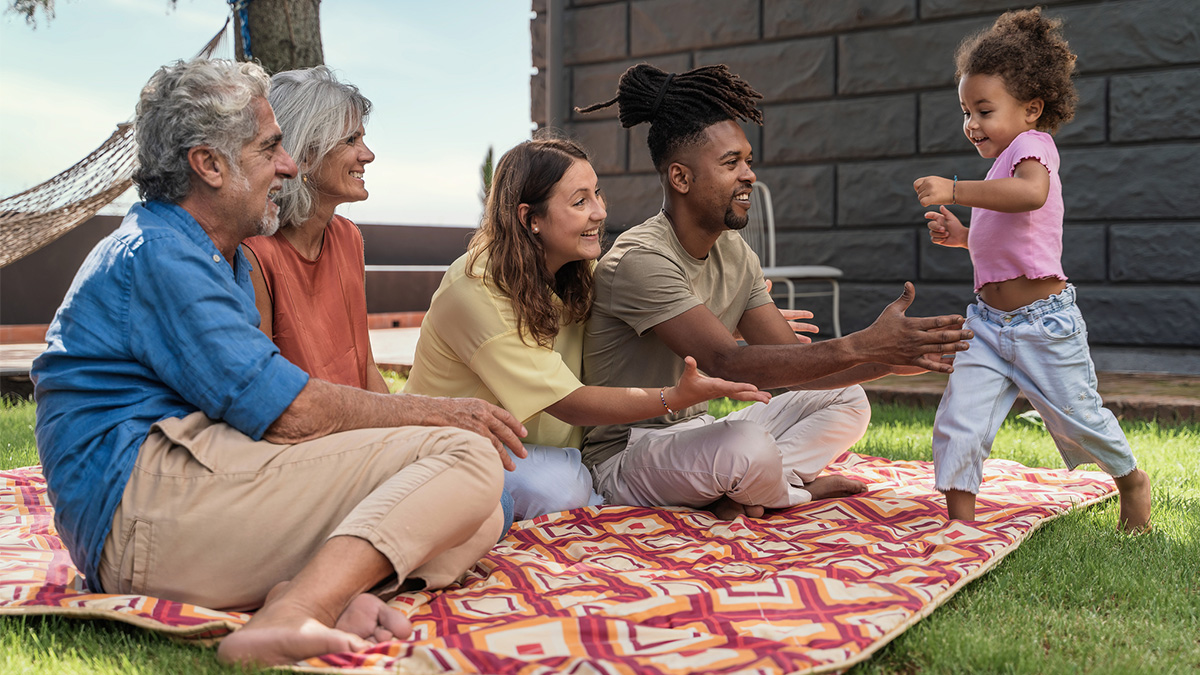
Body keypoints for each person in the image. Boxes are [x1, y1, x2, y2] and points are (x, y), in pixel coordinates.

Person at [30, 58, 530, 668]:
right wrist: (441, 415)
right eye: (270, 148)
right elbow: (286, 413)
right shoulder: (158, 255)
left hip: (186, 497)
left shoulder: (220, 255)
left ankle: (319, 594)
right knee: (467, 456)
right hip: (140, 514)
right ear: (209, 164)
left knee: (475, 512)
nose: (288, 166)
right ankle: (299, 612)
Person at [576, 64, 974, 520]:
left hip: (695, 432)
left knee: (848, 399)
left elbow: (794, 368)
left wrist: (889, 359)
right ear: (681, 178)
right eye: (731, 163)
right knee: (745, 446)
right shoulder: (641, 258)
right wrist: (861, 345)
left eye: (748, 161)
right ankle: (790, 490)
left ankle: (750, 489)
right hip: (625, 455)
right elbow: (726, 362)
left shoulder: (734, 252)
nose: (749, 175)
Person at [405, 134, 771, 520]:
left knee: (572, 481)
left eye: (597, 194)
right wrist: (674, 397)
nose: (599, 212)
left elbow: (631, 330)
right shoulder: (477, 290)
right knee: (562, 489)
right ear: (530, 219)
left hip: (556, 452)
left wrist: (722, 323)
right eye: (580, 202)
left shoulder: (577, 270)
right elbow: (569, 403)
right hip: (458, 444)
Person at [912, 9, 1151, 531]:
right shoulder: (1000, 168)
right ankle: (960, 524)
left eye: (984, 110)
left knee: (1079, 419)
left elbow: (1031, 195)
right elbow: (1008, 239)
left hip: (1043, 323)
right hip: (986, 325)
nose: (971, 123)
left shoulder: (1033, 146)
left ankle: (1132, 481)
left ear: (1031, 109)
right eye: (966, 111)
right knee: (960, 419)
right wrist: (964, 236)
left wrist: (956, 190)